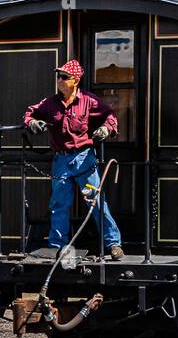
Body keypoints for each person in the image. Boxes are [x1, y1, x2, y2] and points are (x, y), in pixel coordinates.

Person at [24, 59, 124, 260]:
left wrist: (107, 128)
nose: (59, 80)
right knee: (59, 204)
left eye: (64, 77)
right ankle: (57, 246)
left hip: (84, 160)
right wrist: (32, 122)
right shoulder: (50, 103)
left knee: (96, 202)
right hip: (61, 160)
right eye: (58, 76)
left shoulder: (89, 101)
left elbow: (110, 115)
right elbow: (29, 113)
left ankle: (113, 244)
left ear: (75, 80)